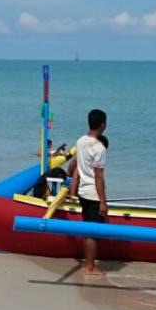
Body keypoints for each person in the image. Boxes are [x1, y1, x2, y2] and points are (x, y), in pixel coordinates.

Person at [70, 108, 108, 276]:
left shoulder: (80, 141)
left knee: (88, 230)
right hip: (93, 193)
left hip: (82, 191)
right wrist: (103, 201)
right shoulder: (99, 148)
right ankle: (90, 267)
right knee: (93, 232)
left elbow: (76, 166)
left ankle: (89, 263)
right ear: (102, 125)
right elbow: (99, 177)